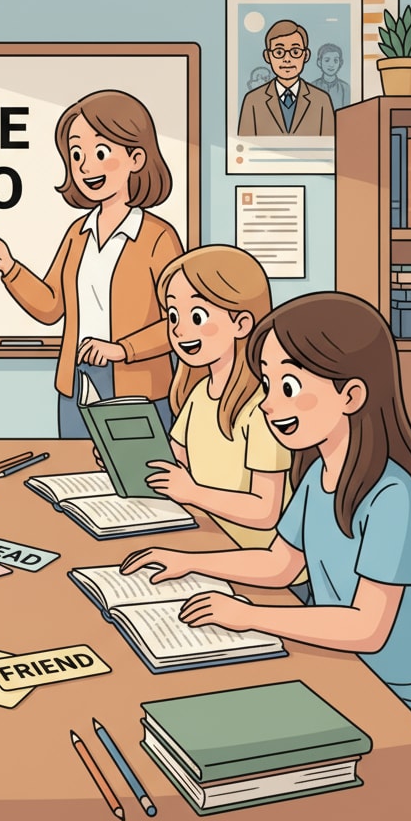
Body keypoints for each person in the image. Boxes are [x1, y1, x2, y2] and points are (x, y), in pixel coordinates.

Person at [121, 292, 411, 746]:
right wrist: (189, 560)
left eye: (289, 388)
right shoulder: (319, 475)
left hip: (406, 707)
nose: (269, 404)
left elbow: (366, 628)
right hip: (342, 668)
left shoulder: (394, 496)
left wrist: (249, 615)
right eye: (267, 385)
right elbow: (280, 565)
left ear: (351, 394)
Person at [0, 89, 182, 436]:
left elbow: (177, 325)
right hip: (77, 383)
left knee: (135, 485)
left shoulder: (158, 237)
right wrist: (9, 267)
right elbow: (52, 306)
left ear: (137, 159)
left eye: (101, 152)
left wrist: (121, 350)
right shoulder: (77, 234)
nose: (85, 166)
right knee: (72, 476)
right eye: (76, 154)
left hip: (138, 390)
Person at [142, 246, 299, 575]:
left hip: (259, 566)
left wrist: (193, 492)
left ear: (241, 323)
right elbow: (175, 460)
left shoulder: (262, 408)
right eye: (173, 316)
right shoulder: (199, 394)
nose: (180, 330)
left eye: (197, 316)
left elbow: (266, 511)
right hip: (211, 539)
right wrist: (129, 459)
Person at [238, 20, 335, 137]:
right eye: (279, 52)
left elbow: (331, 147)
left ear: (306, 55)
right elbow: (242, 147)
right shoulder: (253, 100)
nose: (287, 59)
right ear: (267, 56)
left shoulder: (321, 100)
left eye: (295, 52)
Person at [311, 42, 351, 110]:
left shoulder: (345, 88)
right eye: (327, 60)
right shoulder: (312, 86)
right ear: (319, 62)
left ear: (340, 63)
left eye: (335, 61)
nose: (331, 65)